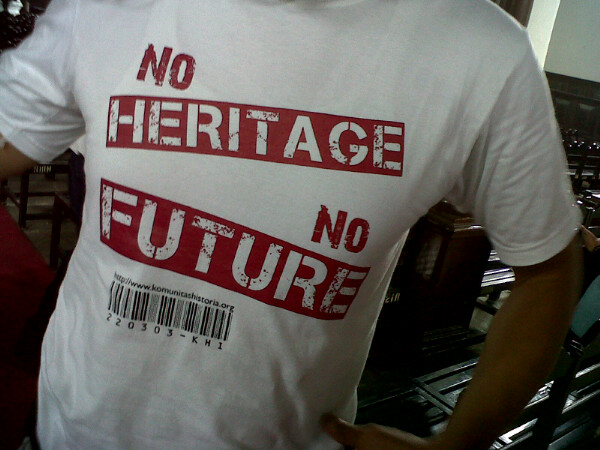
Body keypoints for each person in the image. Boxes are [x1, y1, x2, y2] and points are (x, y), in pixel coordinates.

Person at [0, 0, 582, 448]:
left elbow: (549, 267)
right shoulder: (103, 10)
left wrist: (456, 444)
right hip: (70, 428)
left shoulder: (480, 54)